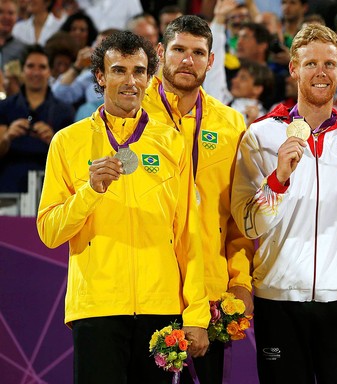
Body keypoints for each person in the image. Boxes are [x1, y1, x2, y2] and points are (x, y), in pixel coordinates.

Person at [35, 31, 210, 383]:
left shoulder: (171, 142)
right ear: (100, 76)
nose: (130, 81)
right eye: (118, 71)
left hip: (160, 310)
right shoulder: (67, 142)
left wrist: (196, 313)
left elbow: (188, 233)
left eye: (139, 71)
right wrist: (90, 191)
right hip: (97, 309)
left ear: (149, 76)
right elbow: (50, 233)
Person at [231, 23, 337, 384]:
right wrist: (277, 180)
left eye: (330, 63)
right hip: (279, 301)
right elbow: (248, 224)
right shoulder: (260, 135)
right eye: (311, 63)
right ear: (294, 68)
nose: (321, 72)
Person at [141, 15, 254, 384]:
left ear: (212, 60)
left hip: (210, 292)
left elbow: (238, 215)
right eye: (178, 50)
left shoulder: (231, 124)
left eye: (197, 52)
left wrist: (241, 280)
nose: (187, 60)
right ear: (160, 53)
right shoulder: (132, 113)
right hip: (146, 290)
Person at [0, 44, 74, 193]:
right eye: (30, 66)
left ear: (50, 72)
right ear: (22, 71)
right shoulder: (4, 107)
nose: (36, 72)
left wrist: (53, 141)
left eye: (42, 67)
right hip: (7, 186)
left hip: (50, 187)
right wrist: (7, 137)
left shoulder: (64, 111)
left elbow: (72, 163)